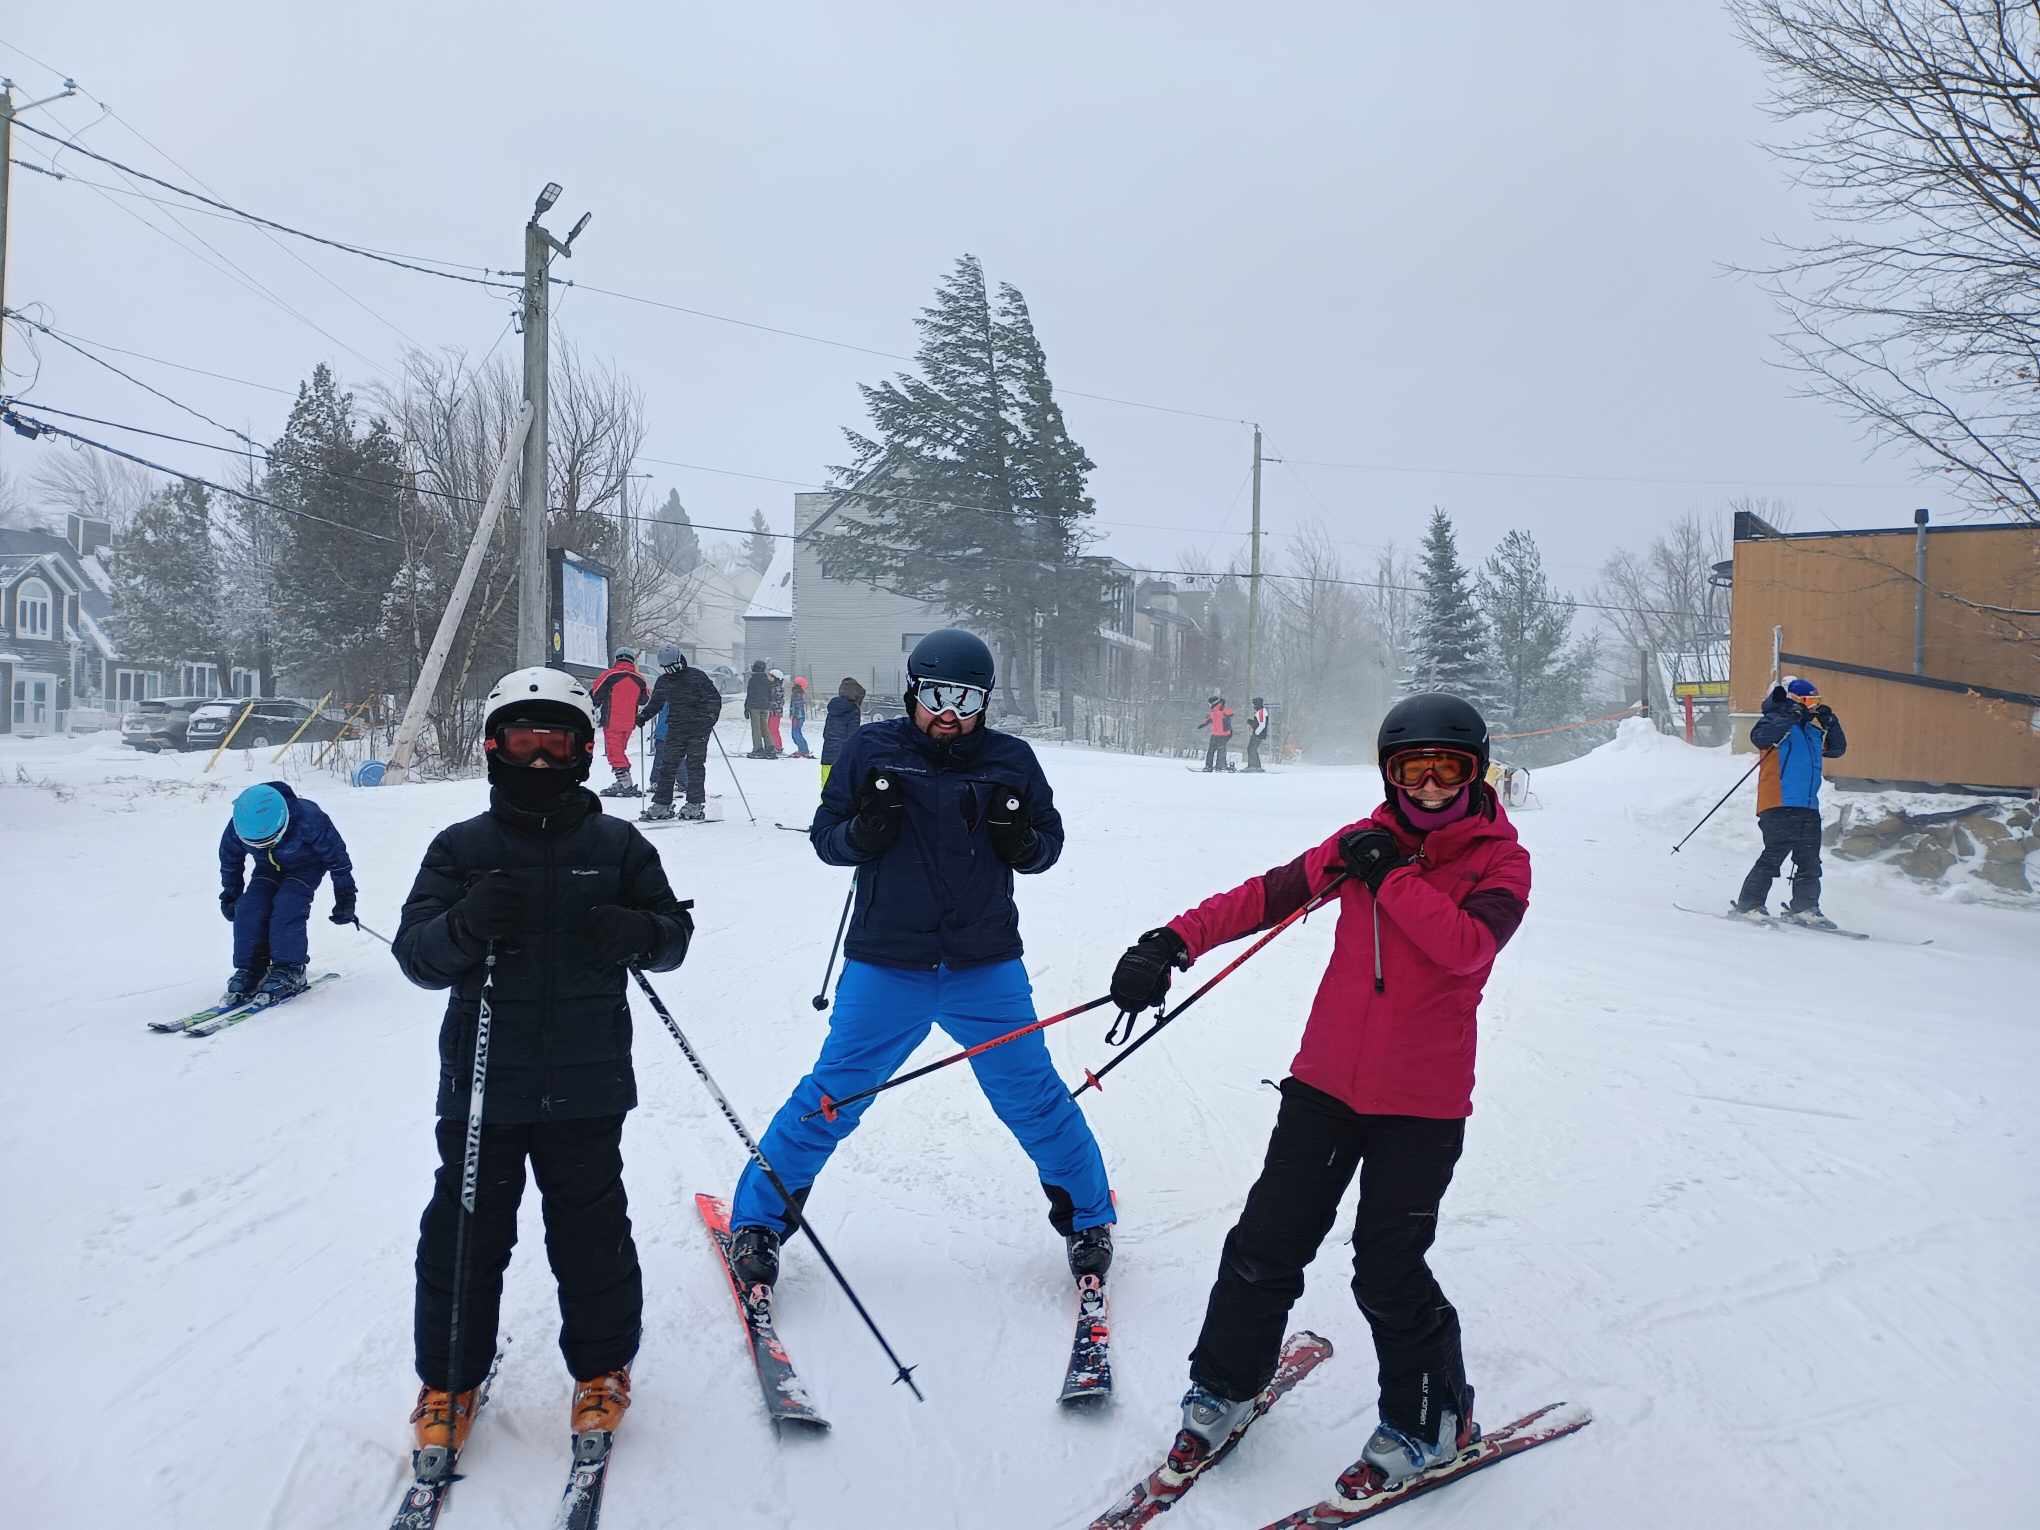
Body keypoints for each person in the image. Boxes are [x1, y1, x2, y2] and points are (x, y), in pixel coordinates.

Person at [1106, 693, 1529, 1496]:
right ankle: (1226, 1386)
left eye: (1450, 769)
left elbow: (1466, 950)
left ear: (1477, 774)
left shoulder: (1502, 863)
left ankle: (1433, 1418)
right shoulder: (1359, 845)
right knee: (1265, 1243)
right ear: (1391, 773)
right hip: (1325, 1085)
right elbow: (1263, 896)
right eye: (1415, 769)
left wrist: (1396, 877)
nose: (1432, 787)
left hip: (1422, 1106)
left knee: (1388, 1269)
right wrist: (1170, 943)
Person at [725, 628, 1115, 1294]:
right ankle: (758, 1224)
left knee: (1034, 1099)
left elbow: (1047, 845)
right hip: (888, 964)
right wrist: (862, 833)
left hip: (983, 966)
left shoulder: (1011, 759)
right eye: (937, 696)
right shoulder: (873, 748)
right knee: (831, 1098)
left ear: (984, 702)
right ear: (912, 690)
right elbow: (827, 838)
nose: (950, 714)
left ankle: (1089, 1220)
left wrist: (1021, 841)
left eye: (966, 701)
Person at [392, 665, 693, 1466]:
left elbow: (674, 935)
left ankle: (601, 1371)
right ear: (494, 747)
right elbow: (416, 957)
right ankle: (449, 1380)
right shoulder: (461, 849)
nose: (537, 759)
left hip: (588, 1079)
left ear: (583, 751)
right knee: (463, 1232)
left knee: (591, 1233)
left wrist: (637, 931)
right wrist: (463, 925)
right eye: (522, 741)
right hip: (484, 1083)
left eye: (554, 741)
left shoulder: (617, 844)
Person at [218, 780, 357, 1005]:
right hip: (268, 869)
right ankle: (252, 968)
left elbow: (338, 860)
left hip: (306, 867)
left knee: (287, 905)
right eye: (257, 844)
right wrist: (231, 894)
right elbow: (230, 861)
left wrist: (345, 897)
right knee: (249, 907)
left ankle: (290, 968)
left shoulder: (309, 819)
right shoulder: (238, 825)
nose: (263, 845)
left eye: (269, 841)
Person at [1732, 676, 1846, 927]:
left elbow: (1837, 749)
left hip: (1807, 805)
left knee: (1809, 860)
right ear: (1794, 700)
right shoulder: (1776, 722)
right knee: (1774, 854)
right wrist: (1788, 714)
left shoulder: (1812, 731)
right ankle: (1749, 904)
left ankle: (1805, 908)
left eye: (1816, 701)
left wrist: (1830, 720)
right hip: (1778, 801)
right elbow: (1760, 737)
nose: (1812, 706)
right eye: (1808, 701)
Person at [635, 646, 725, 822]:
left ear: (680, 660)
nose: (671, 671)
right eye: (667, 668)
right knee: (667, 767)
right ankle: (662, 804)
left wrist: (709, 719)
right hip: (676, 728)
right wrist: (643, 716)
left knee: (695, 766)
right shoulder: (664, 681)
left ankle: (694, 804)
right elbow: (656, 703)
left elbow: (714, 699)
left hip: (698, 728)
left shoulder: (697, 676)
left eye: (673, 666)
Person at [589, 648, 649, 798]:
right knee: (619, 752)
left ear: (617, 659)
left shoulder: (610, 675)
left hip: (612, 720)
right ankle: (624, 781)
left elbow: (595, 695)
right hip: (629, 722)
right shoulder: (639, 679)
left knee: (614, 753)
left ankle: (625, 783)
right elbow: (645, 699)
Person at [819, 676, 865, 790]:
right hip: (843, 758)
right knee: (843, 792)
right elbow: (853, 736)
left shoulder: (833, 708)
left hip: (827, 756)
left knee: (826, 791)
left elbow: (826, 733)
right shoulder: (853, 710)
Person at [744, 660, 773, 757]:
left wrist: (746, 708)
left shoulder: (753, 680)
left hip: (754, 707)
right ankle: (770, 747)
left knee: (756, 728)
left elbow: (750, 694)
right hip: (765, 707)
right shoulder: (767, 680)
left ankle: (758, 748)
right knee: (765, 727)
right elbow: (770, 694)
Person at [1203, 694, 1235, 772]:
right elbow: (1208, 719)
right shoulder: (1213, 711)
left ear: (1213, 703)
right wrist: (1204, 723)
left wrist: (1223, 708)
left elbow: (1230, 713)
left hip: (1224, 734)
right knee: (1212, 750)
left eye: (1209, 703)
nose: (1209, 705)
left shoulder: (1221, 710)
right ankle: (1211, 766)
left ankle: (1218, 766)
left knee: (1219, 750)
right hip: (1216, 734)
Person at [787, 676, 813, 759]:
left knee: (796, 733)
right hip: (799, 716)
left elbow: (796, 706)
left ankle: (804, 750)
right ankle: (801, 749)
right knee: (796, 733)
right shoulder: (799, 693)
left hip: (797, 717)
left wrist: (793, 715)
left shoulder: (796, 694)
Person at [1244, 696, 1270, 773]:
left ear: (1257, 704)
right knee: (1252, 749)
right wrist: (1251, 722)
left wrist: (1256, 732)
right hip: (1259, 733)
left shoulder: (1261, 712)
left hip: (1258, 734)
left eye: (1254, 704)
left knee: (1251, 748)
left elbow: (1262, 724)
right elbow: (1257, 723)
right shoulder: (1260, 712)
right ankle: (1256, 766)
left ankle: (1253, 766)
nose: (1253, 706)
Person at [765, 668, 787, 756]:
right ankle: (773, 746)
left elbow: (775, 700)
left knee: (773, 730)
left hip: (775, 712)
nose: (769, 678)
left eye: (771, 677)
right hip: (772, 712)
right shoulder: (773, 686)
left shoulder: (777, 688)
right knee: (770, 729)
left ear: (776, 678)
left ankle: (778, 747)